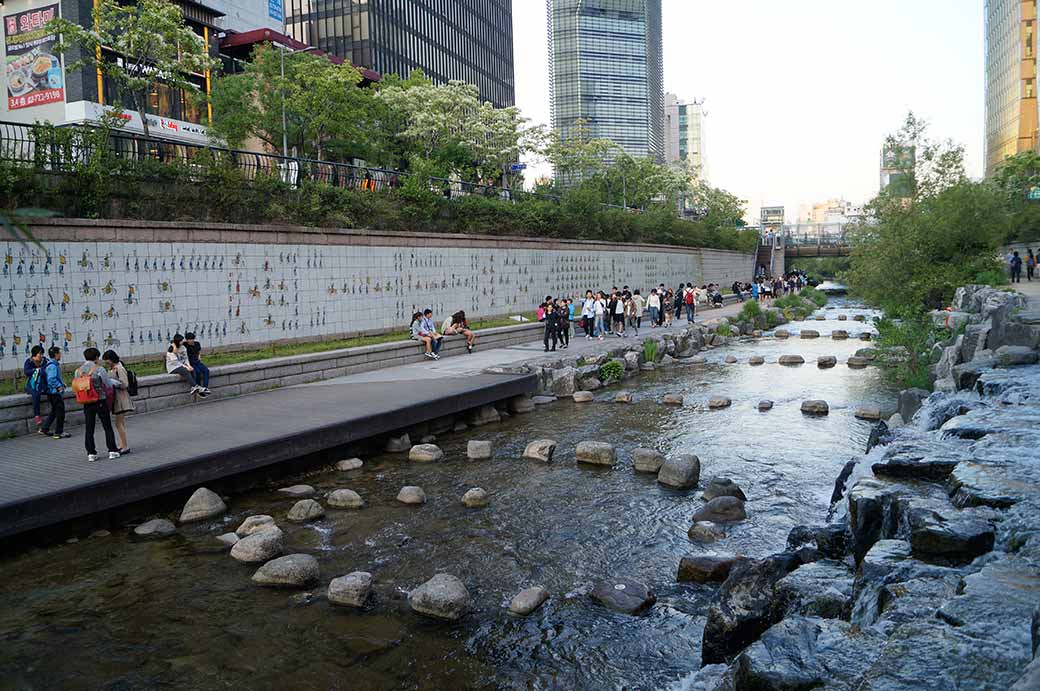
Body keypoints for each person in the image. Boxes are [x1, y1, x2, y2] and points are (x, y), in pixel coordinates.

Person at [73, 347, 119, 462]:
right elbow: (108, 384)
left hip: (87, 402)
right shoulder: (99, 369)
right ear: (96, 357)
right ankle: (112, 451)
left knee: (89, 428)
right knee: (107, 426)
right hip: (100, 400)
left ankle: (91, 453)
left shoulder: (78, 371)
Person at [102, 350, 134, 454]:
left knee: (118, 423)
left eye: (107, 360)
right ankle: (122, 444)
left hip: (121, 399)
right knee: (120, 423)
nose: (106, 362)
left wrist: (113, 383)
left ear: (112, 359)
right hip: (116, 398)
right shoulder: (112, 368)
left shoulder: (119, 368)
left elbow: (125, 384)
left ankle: (124, 446)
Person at [39, 346, 70, 439]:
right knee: (60, 412)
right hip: (55, 393)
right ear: (56, 354)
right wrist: (58, 386)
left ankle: (45, 428)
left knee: (54, 411)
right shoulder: (52, 366)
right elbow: (51, 379)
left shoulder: (51, 364)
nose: (60, 355)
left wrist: (61, 383)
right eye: (59, 353)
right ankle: (58, 432)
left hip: (51, 392)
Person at [23, 344, 47, 429]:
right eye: (40, 354)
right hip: (32, 385)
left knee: (53, 392)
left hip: (43, 384)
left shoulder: (44, 361)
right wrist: (36, 370)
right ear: (35, 354)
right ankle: (37, 415)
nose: (41, 356)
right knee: (36, 394)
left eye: (42, 353)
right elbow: (26, 372)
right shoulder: (29, 361)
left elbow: (47, 369)